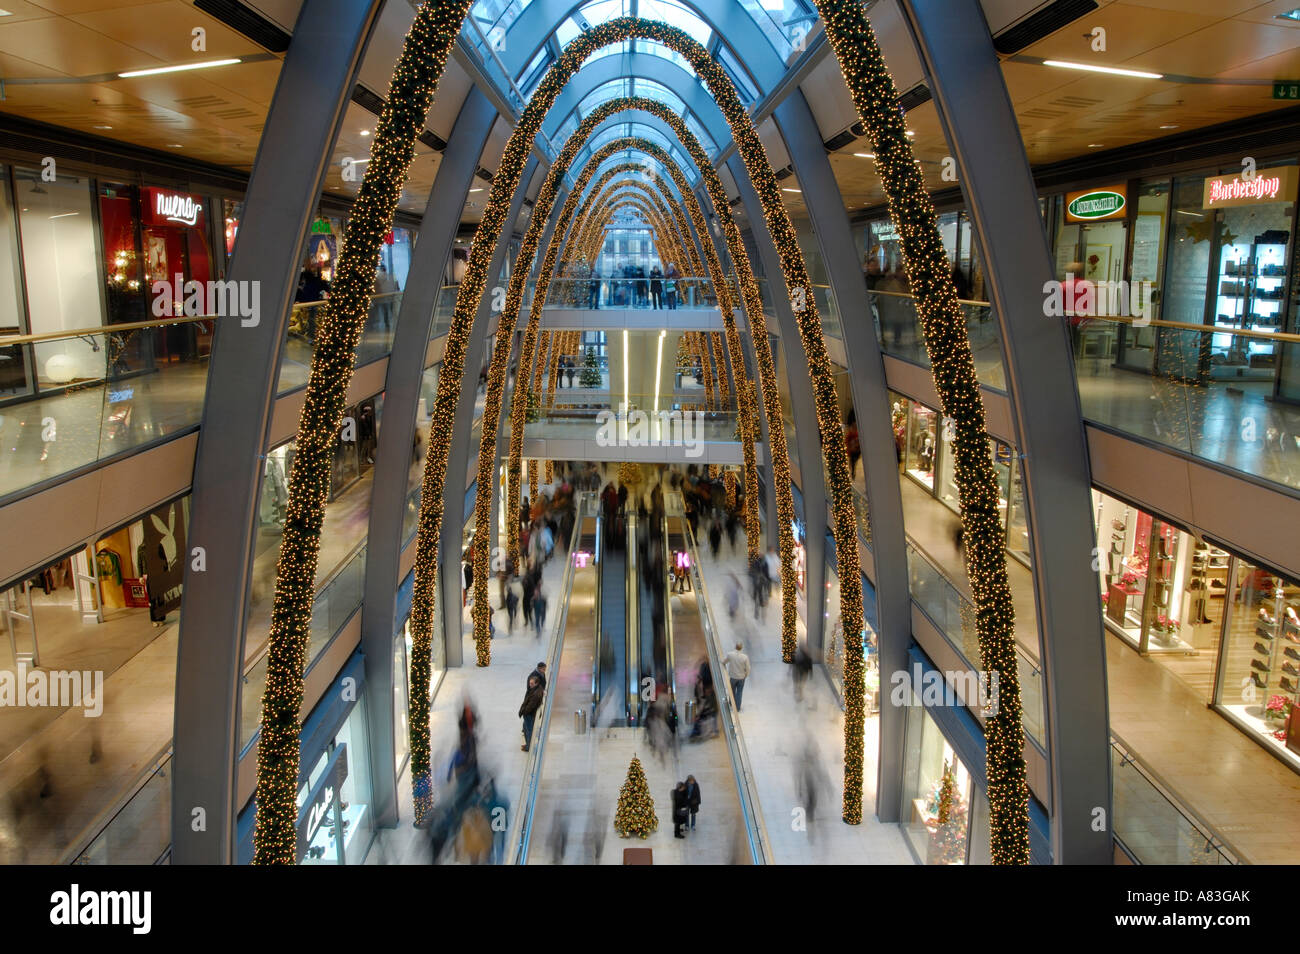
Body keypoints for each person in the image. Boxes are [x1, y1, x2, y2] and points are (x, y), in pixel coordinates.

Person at [518, 674, 544, 752]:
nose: (530, 685)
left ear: (536, 683)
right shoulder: (536, 688)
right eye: (530, 683)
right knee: (525, 728)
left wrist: (524, 712)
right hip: (529, 714)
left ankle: (529, 747)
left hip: (529, 715)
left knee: (529, 731)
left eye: (532, 684)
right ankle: (528, 745)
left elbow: (530, 706)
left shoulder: (536, 694)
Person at [723, 642, 750, 711]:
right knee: (739, 692)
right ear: (741, 648)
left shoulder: (730, 655)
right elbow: (748, 668)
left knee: (732, 690)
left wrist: (722, 662)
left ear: (735, 646)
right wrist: (746, 675)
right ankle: (737, 708)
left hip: (733, 677)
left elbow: (724, 662)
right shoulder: (745, 657)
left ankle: (731, 703)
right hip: (741, 678)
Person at [374, 263, 400, 332]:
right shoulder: (390, 276)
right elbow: (396, 286)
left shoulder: (378, 278)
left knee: (385, 313)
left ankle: (387, 325)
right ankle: (392, 325)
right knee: (391, 312)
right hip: (390, 297)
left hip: (381, 298)